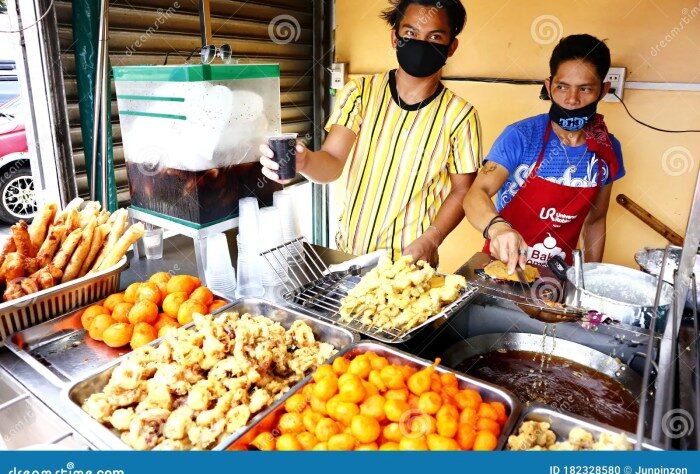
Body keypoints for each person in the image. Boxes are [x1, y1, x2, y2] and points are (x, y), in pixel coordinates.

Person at [260, 0, 481, 266]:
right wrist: (304, 161)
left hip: (412, 264)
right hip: (351, 255)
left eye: (434, 37)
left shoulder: (460, 115)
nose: (420, 44)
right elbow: (331, 162)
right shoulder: (361, 92)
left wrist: (432, 238)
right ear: (394, 37)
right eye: (410, 33)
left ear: (451, 46)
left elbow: (462, 190)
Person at [464, 34, 625, 274]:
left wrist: (589, 279)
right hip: (502, 269)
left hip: (558, 277)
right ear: (549, 86)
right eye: (562, 87)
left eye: (585, 89)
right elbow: (476, 194)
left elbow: (595, 220)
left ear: (603, 91)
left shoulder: (606, 151)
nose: (572, 100)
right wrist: (498, 228)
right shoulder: (522, 136)